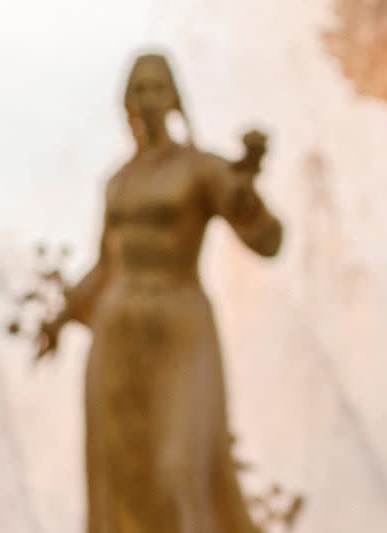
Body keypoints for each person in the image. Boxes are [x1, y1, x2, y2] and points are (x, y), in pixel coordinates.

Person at [37, 53, 281, 533]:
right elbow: (107, 265)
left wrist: (247, 197)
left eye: (157, 87)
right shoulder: (117, 180)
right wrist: (60, 317)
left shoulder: (202, 168)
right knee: (123, 478)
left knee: (180, 469)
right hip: (115, 333)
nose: (148, 99)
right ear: (127, 101)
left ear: (173, 96)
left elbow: (268, 241)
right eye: (139, 89)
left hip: (180, 328)